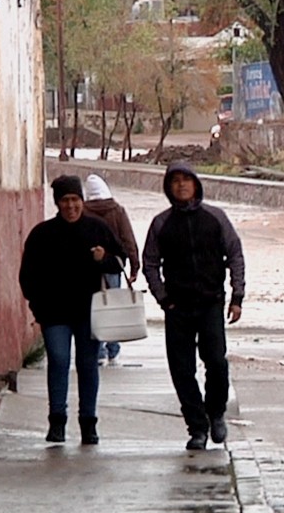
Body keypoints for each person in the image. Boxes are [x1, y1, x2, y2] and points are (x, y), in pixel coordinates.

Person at [142, 162, 245, 450]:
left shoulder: (216, 218)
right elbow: (150, 262)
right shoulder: (161, 223)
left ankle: (216, 414)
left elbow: (235, 254)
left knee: (216, 362)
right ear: (168, 187)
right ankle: (196, 427)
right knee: (181, 369)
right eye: (175, 181)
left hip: (211, 303)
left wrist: (237, 297)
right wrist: (163, 298)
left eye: (186, 180)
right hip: (177, 307)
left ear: (196, 184)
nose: (181, 185)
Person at [19, 175, 126, 445]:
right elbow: (28, 275)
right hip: (54, 313)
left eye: (75, 200)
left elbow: (120, 263)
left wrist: (105, 259)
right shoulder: (42, 234)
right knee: (58, 359)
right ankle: (57, 422)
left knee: (88, 364)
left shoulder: (98, 228)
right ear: (57, 203)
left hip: (89, 313)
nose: (71, 206)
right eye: (65, 200)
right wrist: (37, 306)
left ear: (82, 201)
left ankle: (88, 423)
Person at [82, 173, 140, 367]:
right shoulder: (117, 210)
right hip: (114, 266)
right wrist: (134, 265)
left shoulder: (83, 212)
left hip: (89, 269)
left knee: (95, 308)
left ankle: (98, 351)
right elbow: (128, 239)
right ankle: (113, 350)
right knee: (113, 305)